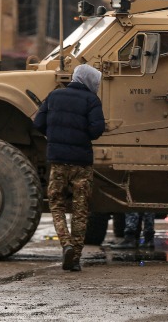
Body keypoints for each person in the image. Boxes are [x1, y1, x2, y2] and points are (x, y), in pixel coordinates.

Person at [33, 64, 105, 272]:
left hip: (57, 161)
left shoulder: (54, 96)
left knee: (57, 205)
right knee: (80, 210)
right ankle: (76, 258)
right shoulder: (92, 100)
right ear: (89, 80)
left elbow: (38, 123)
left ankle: (65, 244)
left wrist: (55, 134)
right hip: (82, 163)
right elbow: (96, 130)